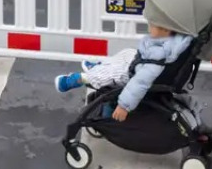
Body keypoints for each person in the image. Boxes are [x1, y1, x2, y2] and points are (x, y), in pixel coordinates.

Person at [55, 20, 192, 122]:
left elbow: (139, 83)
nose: (149, 27)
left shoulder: (156, 61)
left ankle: (78, 79)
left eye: (153, 25)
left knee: (108, 76)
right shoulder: (180, 40)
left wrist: (124, 106)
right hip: (142, 63)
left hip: (135, 73)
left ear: (166, 31)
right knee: (126, 53)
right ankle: (101, 68)